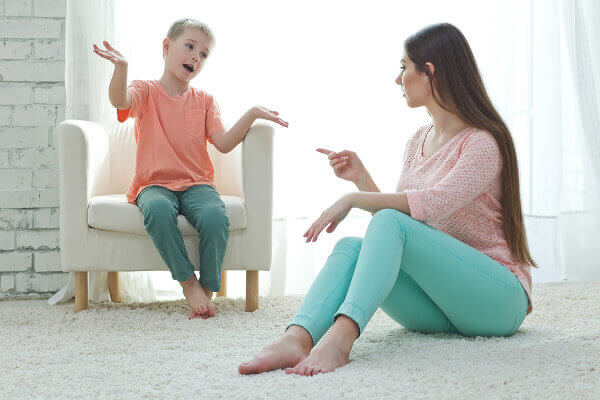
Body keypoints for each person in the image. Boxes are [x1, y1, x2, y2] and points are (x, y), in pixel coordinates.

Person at [239, 22, 536, 376]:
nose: (398, 79)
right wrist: (361, 179)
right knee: (351, 246)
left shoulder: (482, 142)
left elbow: (432, 204)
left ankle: (340, 340)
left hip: (497, 302)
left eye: (403, 67)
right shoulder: (417, 141)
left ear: (430, 72)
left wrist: (353, 198)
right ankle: (297, 338)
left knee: (386, 222)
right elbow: (406, 227)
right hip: (441, 306)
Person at [93, 18, 288, 320]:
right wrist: (121, 69)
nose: (196, 57)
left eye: (204, 54)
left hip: (197, 185)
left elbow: (223, 143)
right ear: (167, 46)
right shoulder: (145, 91)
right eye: (190, 46)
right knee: (157, 211)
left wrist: (250, 114)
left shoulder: (206, 101)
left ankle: (207, 289)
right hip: (153, 184)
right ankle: (188, 283)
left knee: (214, 216)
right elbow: (120, 100)